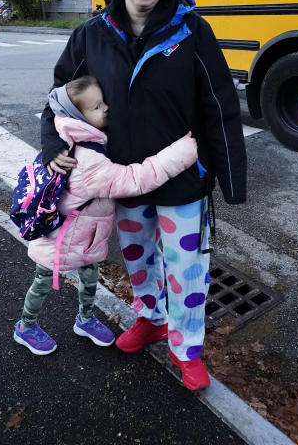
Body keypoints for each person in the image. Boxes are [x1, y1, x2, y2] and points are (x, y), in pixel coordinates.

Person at [41, 0, 247, 390]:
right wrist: (54, 147)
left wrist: (229, 179)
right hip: (125, 180)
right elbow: (59, 99)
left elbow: (220, 105)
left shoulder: (191, 31)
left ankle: (187, 348)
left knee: (187, 269)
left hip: (181, 180)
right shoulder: (91, 35)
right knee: (139, 261)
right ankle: (150, 318)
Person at [16, 75, 198, 356]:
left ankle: (85, 319)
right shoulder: (88, 161)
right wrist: (181, 152)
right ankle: (26, 327)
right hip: (60, 239)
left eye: (103, 102)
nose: (106, 109)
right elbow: (135, 179)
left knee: (89, 278)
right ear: (79, 117)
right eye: (96, 107)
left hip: (83, 238)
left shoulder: (72, 138)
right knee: (42, 282)